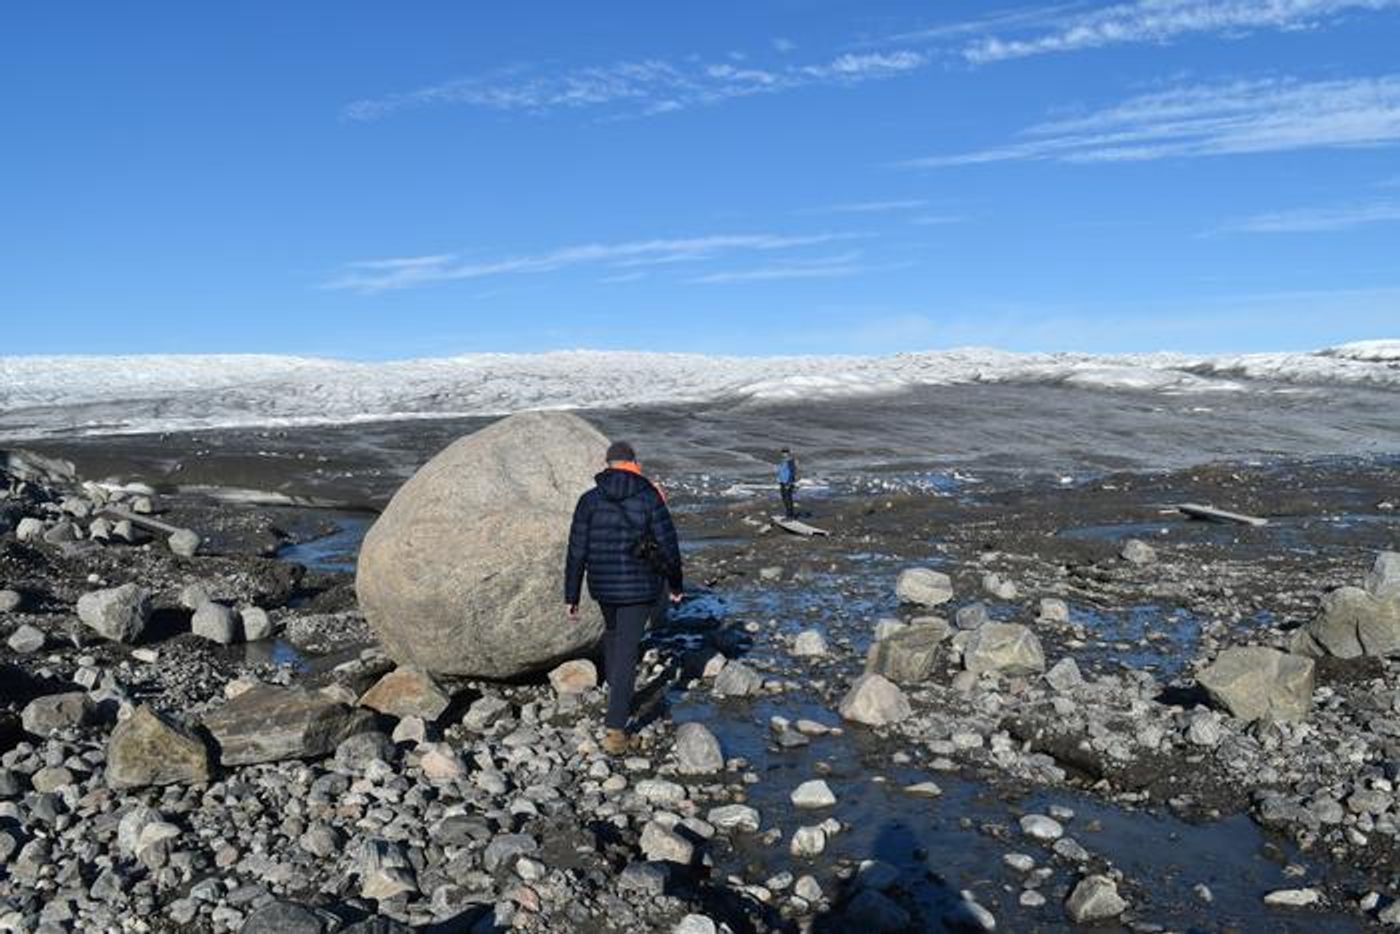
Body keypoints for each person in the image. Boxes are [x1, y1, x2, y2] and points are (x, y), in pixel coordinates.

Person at [565, 440, 683, 755]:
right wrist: (675, 584)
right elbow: (668, 545)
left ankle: (617, 693)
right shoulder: (648, 497)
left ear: (608, 464)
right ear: (633, 462)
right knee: (627, 649)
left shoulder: (588, 500)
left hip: (603, 586)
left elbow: (576, 550)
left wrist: (571, 593)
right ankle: (616, 729)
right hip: (640, 587)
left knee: (614, 637)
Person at [777, 447, 799, 519]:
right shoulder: (782, 461)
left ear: (788, 453)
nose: (784, 454)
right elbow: (781, 471)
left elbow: (792, 473)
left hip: (788, 483)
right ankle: (788, 514)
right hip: (782, 482)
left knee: (788, 499)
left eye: (785, 452)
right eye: (783, 452)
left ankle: (790, 516)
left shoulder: (790, 461)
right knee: (784, 499)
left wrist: (789, 483)